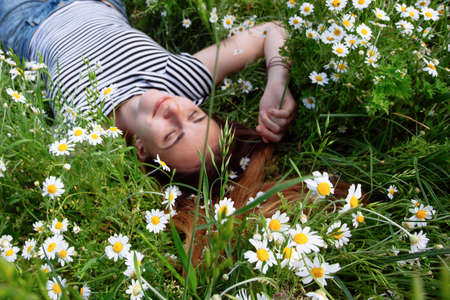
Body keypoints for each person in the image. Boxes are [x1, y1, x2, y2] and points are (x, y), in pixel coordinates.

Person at [0, 0, 296, 182]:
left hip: (27, 21)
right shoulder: (182, 83)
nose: (173, 110)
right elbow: (271, 30)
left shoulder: (85, 135)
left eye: (170, 135)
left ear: (142, 149)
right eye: (194, 115)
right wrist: (277, 82)